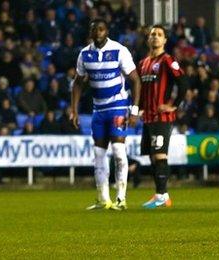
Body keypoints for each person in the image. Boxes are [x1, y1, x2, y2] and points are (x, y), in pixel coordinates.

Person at [71, 19, 142, 211]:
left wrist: (134, 110)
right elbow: (78, 83)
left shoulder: (119, 50)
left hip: (118, 106)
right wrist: (74, 110)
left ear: (107, 31)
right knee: (98, 154)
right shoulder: (85, 53)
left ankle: (121, 198)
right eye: (94, 30)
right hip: (98, 110)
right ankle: (103, 199)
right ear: (91, 33)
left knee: (119, 152)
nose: (98, 33)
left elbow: (135, 80)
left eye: (101, 29)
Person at [137, 25, 188, 209]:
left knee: (159, 155)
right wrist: (140, 108)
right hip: (148, 117)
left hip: (162, 117)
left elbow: (183, 82)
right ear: (148, 39)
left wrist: (173, 105)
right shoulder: (143, 63)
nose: (155, 37)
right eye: (152, 34)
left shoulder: (168, 60)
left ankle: (161, 195)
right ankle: (162, 194)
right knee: (152, 156)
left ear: (165, 40)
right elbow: (141, 90)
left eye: (159, 35)